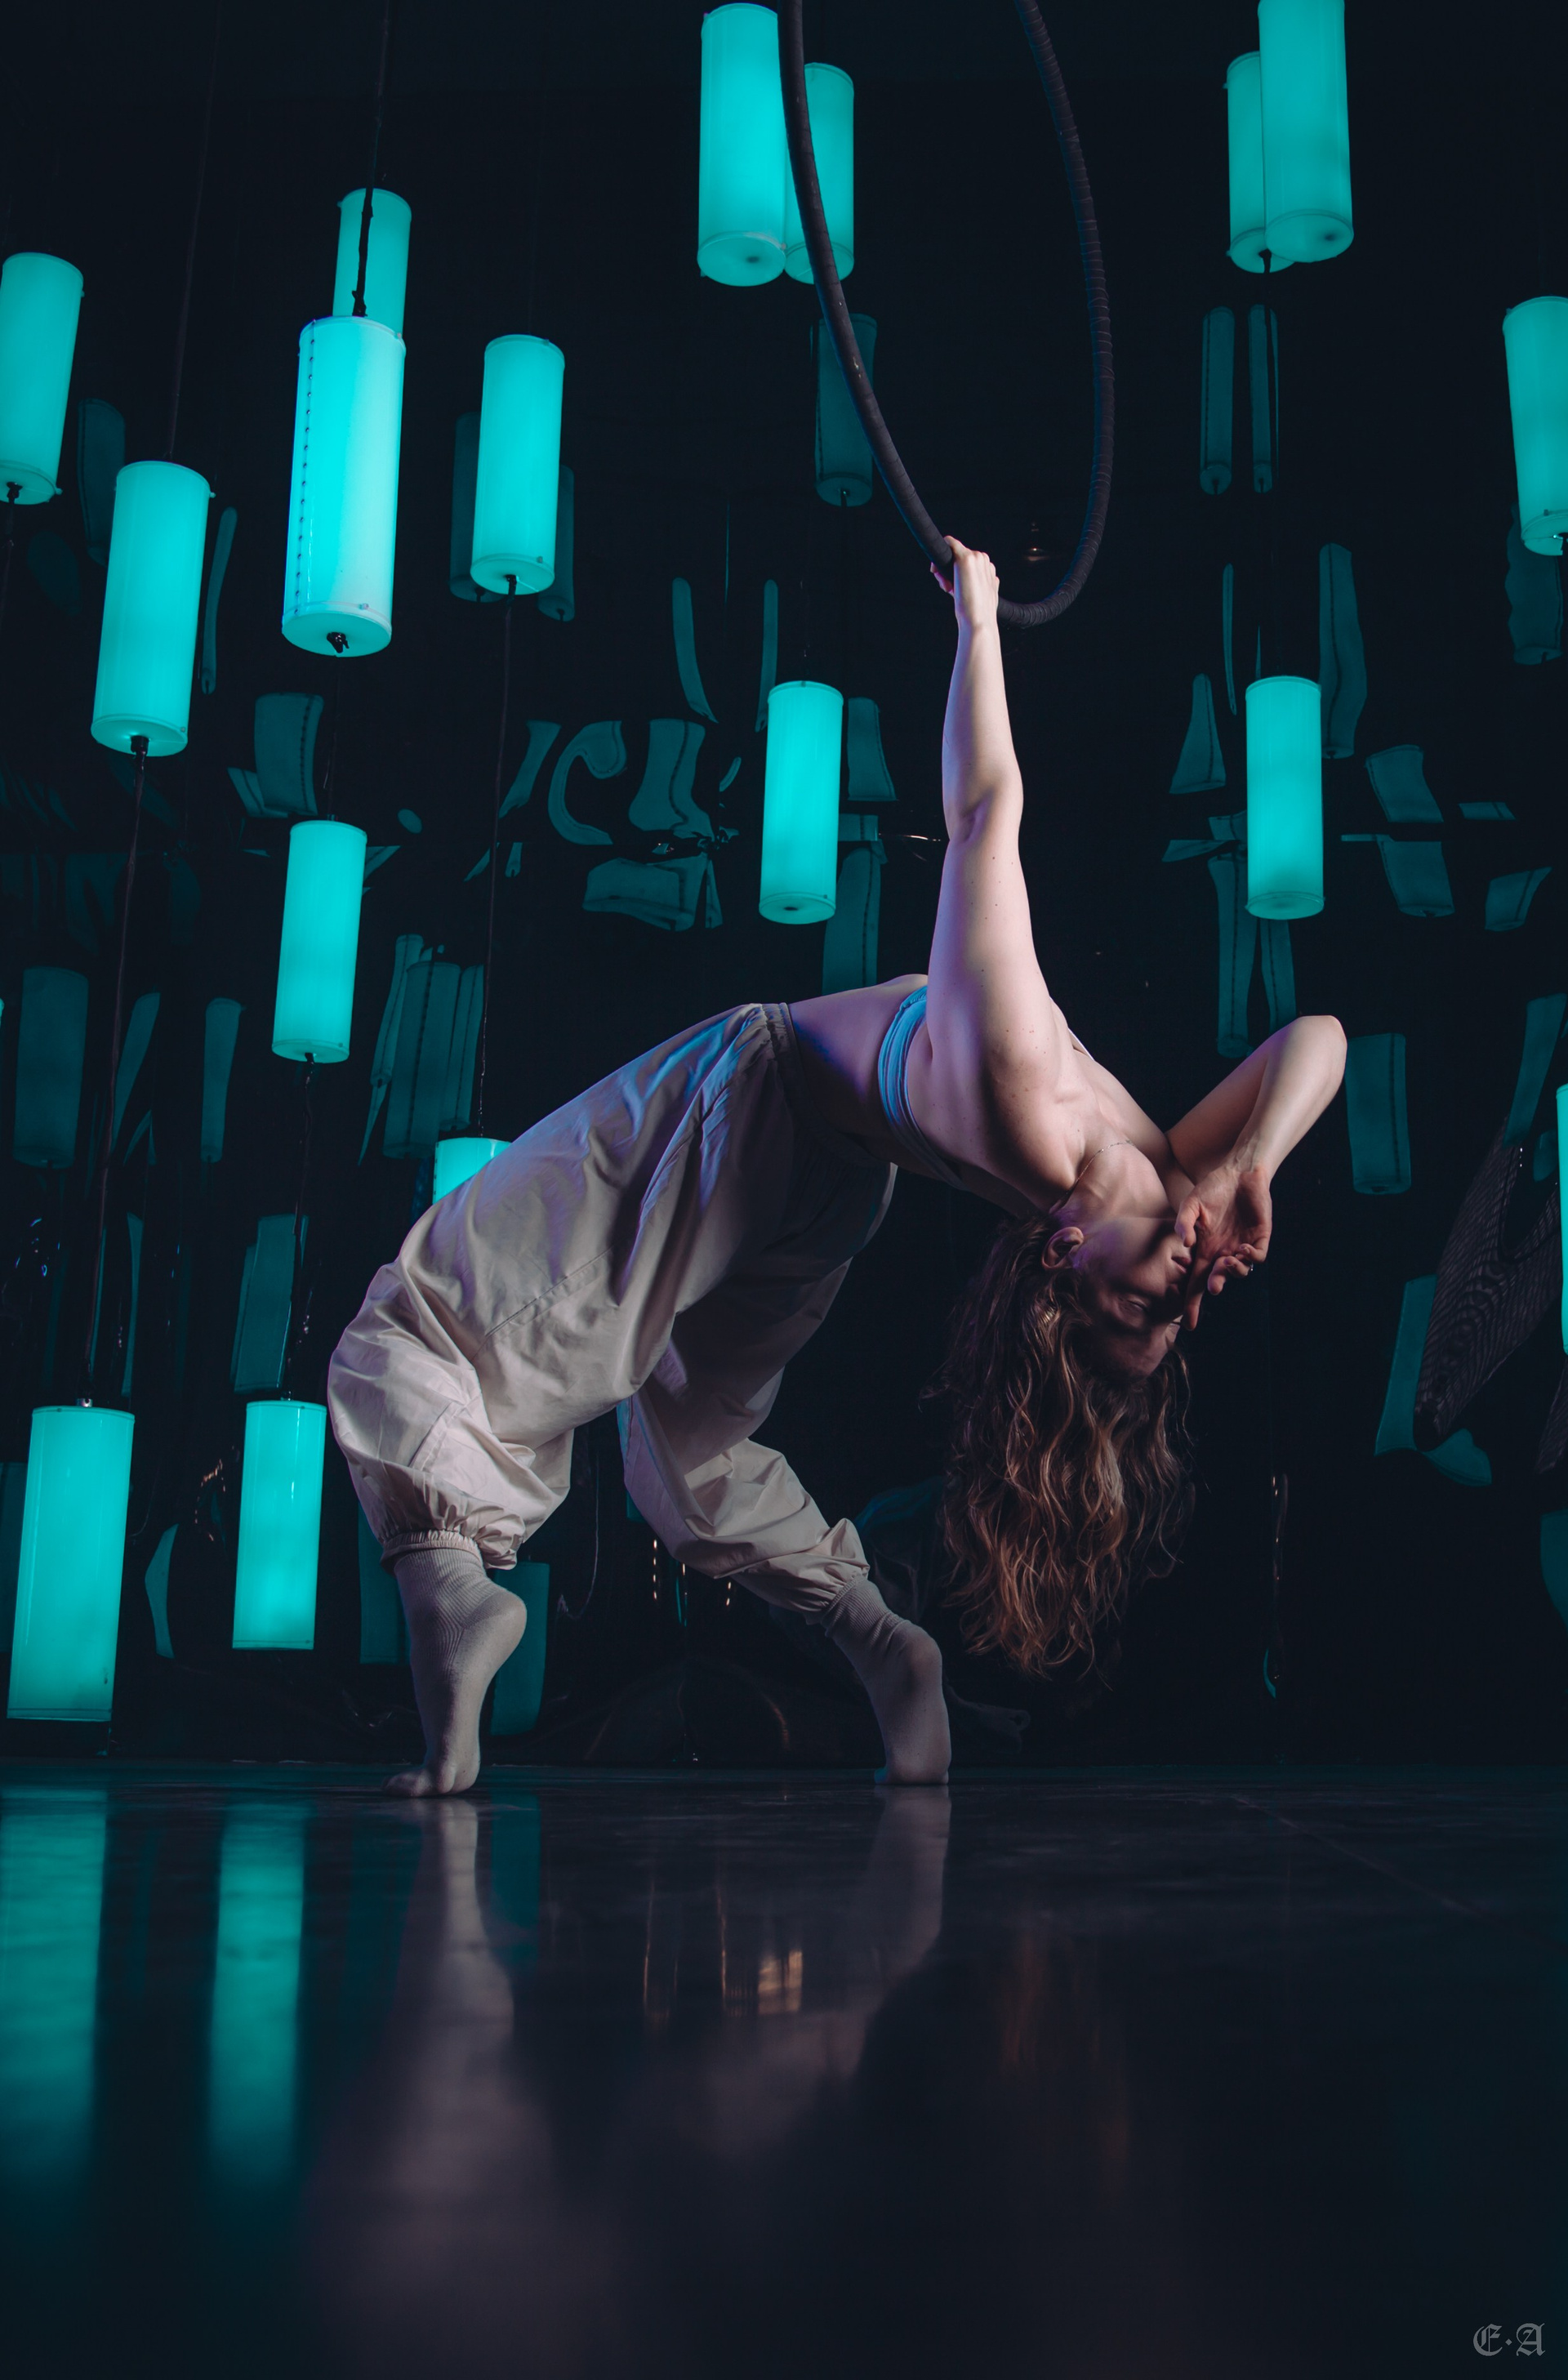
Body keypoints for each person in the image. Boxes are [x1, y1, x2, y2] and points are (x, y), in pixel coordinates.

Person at [328, 539, 1344, 1796]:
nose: (1188, 1294)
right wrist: (1255, 1160)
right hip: (830, 1191)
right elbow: (1319, 1037)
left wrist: (978, 621)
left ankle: (446, 1585)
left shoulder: (1027, 1102)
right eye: (1178, 1318)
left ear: (1067, 1257)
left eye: (1141, 1312)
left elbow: (983, 816)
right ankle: (881, 1643)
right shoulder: (1163, 1170)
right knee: (686, 1460)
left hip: (748, 1105)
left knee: (413, 1323)